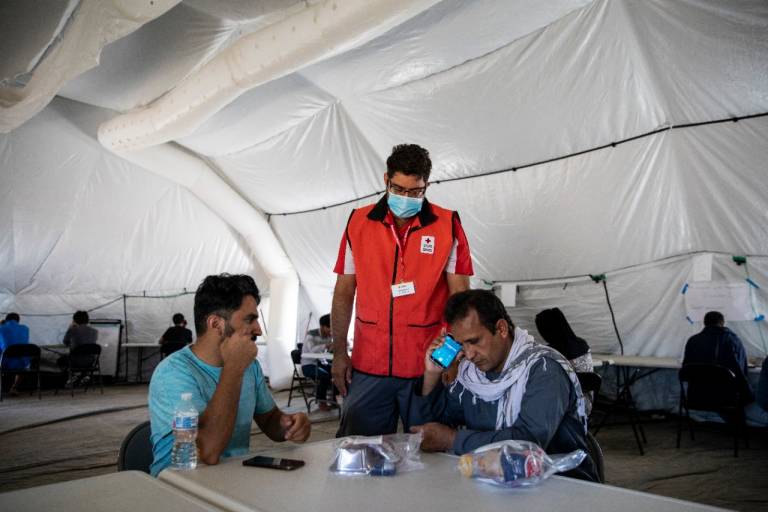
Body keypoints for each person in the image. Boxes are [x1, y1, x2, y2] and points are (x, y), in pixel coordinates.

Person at [331, 143, 474, 436]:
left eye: (415, 192)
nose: (406, 198)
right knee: (359, 451)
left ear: (426, 186)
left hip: (427, 366)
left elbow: (461, 298)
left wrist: (450, 357)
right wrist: (338, 354)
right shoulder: (357, 222)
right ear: (386, 180)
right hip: (369, 363)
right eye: (399, 189)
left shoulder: (448, 225)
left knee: (430, 455)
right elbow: (344, 291)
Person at [410, 290, 598, 482]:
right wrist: (432, 374)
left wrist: (453, 439)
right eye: (461, 345)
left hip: (562, 486)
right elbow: (428, 431)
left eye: (474, 341)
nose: (469, 354)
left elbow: (528, 443)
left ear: (501, 329)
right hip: (496, 482)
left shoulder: (544, 369)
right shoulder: (472, 374)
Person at [148, 274, 310, 476]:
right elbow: (208, 451)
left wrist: (289, 424)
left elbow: (269, 420)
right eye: (250, 319)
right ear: (216, 324)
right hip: (178, 487)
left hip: (232, 480)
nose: (258, 329)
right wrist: (234, 367)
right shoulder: (172, 373)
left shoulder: (250, 367)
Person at [683, 311, 754, 403]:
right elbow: (741, 370)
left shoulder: (692, 340)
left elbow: (685, 372)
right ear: (722, 323)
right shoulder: (732, 340)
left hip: (696, 396)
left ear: (705, 323)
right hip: (726, 397)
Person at [301, 314, 336, 411]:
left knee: (336, 371)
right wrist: (326, 346)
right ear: (322, 326)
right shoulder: (311, 335)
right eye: (330, 328)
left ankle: (333, 399)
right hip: (308, 365)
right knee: (324, 376)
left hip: (321, 362)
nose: (331, 331)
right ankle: (322, 402)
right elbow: (311, 350)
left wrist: (334, 347)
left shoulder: (329, 336)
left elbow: (327, 353)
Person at [0, 313, 31, 395]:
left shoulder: (1, 328)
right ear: (18, 320)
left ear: (6, 320)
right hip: (23, 363)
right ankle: (14, 387)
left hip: (5, 362)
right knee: (20, 360)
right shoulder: (26, 328)